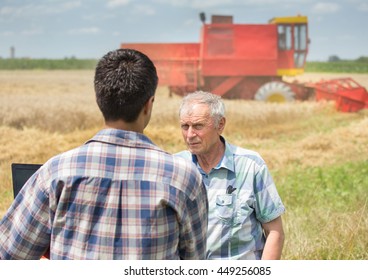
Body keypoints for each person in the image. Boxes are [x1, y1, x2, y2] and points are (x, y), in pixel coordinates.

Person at [0, 49, 208, 260]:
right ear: (148, 105)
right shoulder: (183, 178)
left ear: (99, 99)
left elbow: (9, 255)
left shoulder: (56, 172)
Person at [175, 91, 285, 260]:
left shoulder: (250, 166)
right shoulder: (175, 167)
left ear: (220, 125)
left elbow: (274, 232)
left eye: (198, 126)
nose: (190, 135)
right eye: (185, 126)